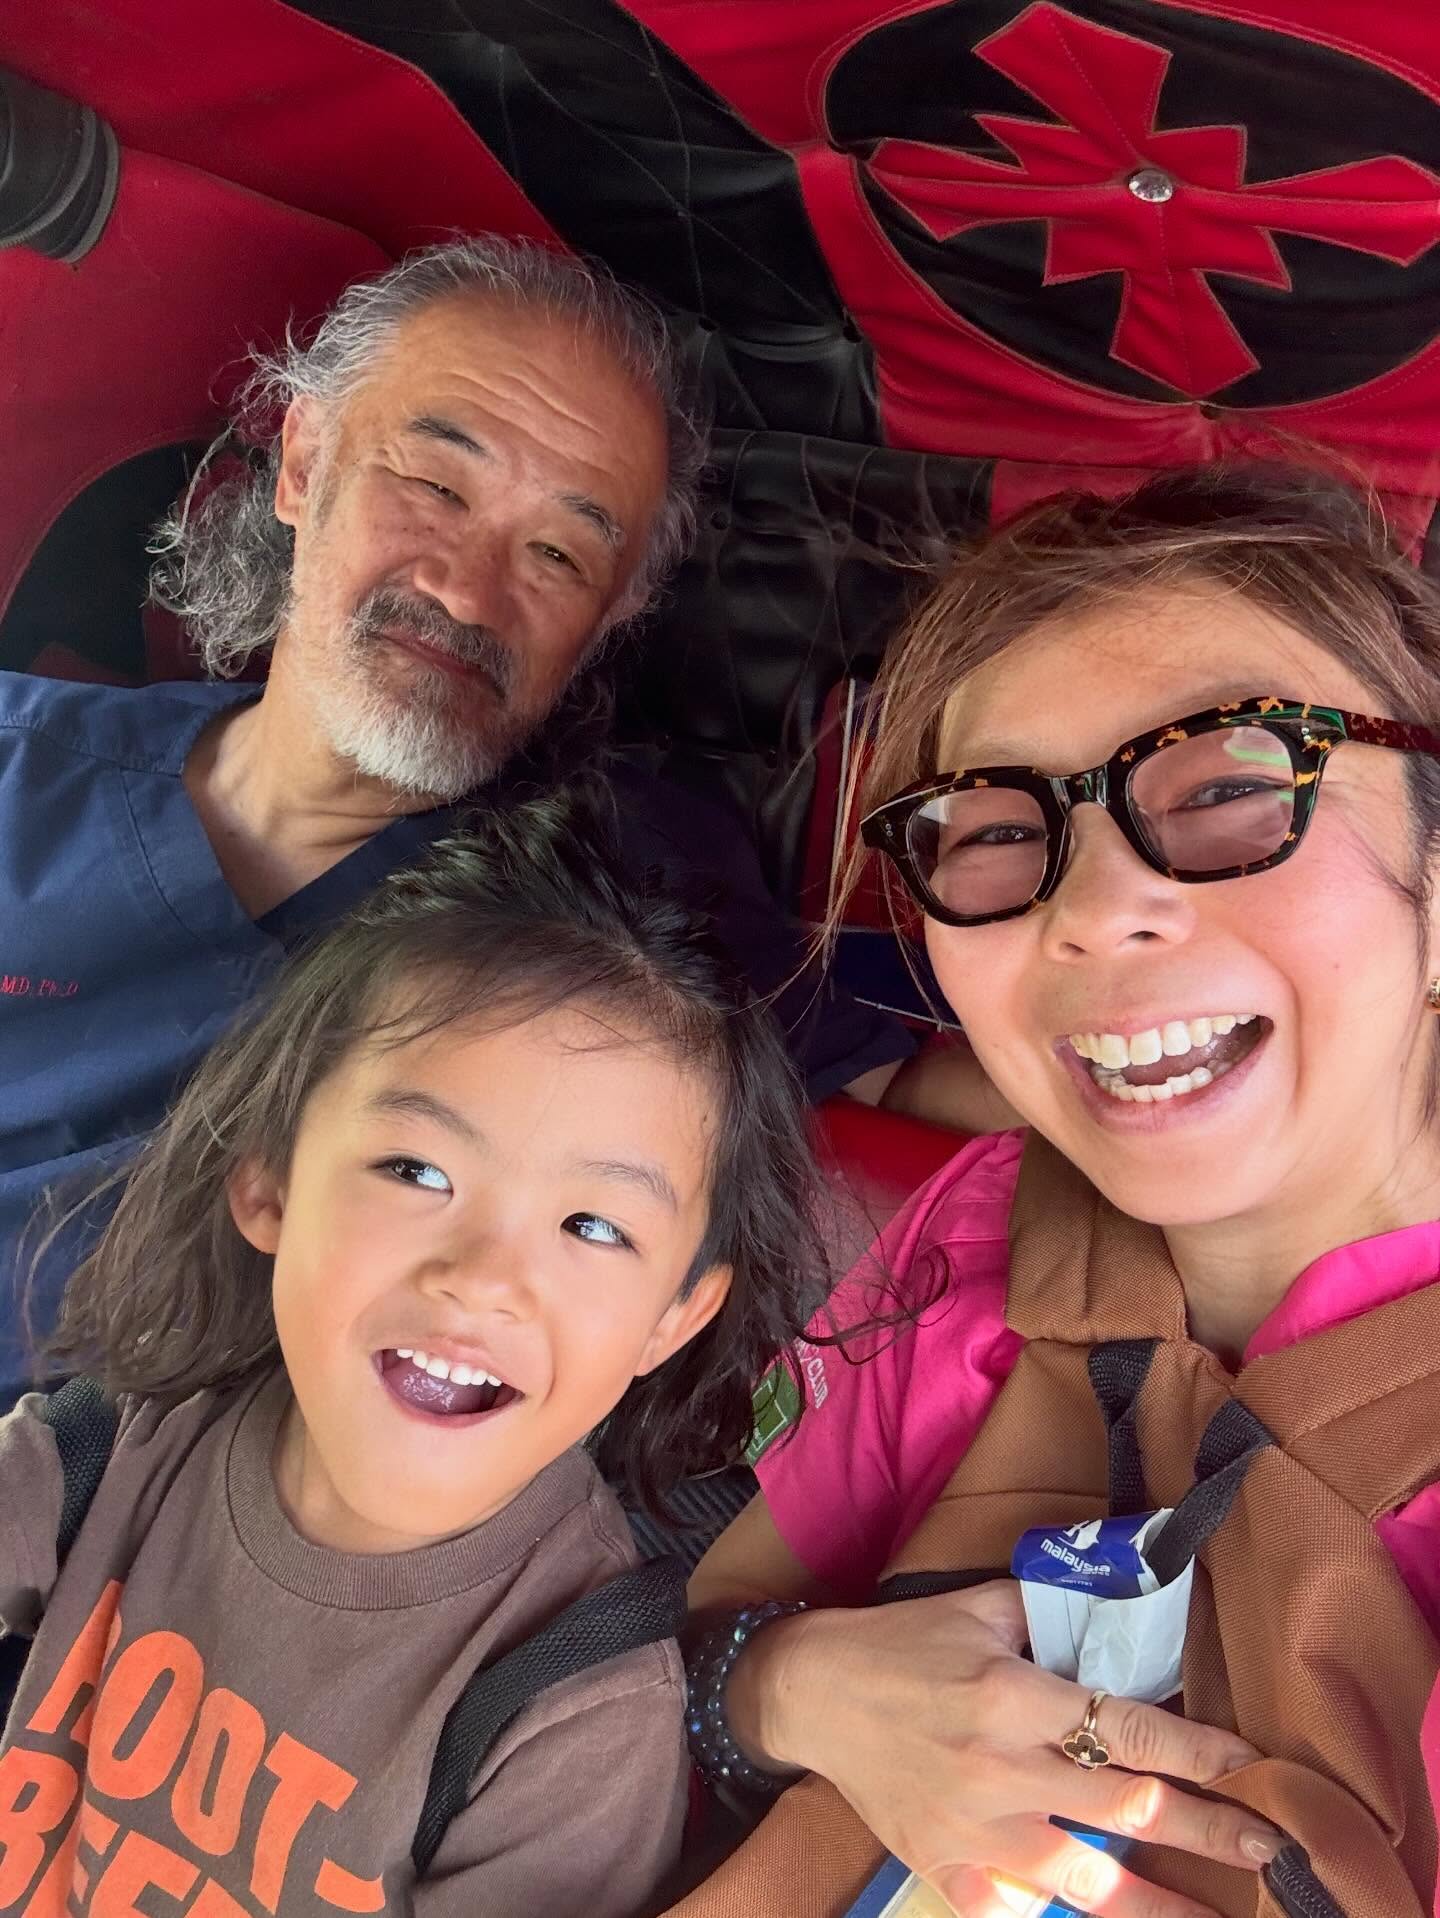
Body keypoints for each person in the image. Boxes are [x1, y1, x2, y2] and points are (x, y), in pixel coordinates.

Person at [0, 233, 1000, 1407]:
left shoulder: (614, 897)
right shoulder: (21, 761)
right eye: (435, 487)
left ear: (609, 619)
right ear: (304, 465)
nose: (468, 592)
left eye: (559, 554)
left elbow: (923, 1085)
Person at [683, 467, 1440, 1918]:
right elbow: (709, 1623)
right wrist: (797, 1687)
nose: (1089, 911)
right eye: (993, 831)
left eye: (1230, 787)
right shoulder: (981, 1230)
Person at [0, 793, 829, 1918]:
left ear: (671, 1320)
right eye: (418, 1172)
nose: (484, 1278)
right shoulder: (111, 1451)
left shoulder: (570, 1704)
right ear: (270, 1183)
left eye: (593, 1226)